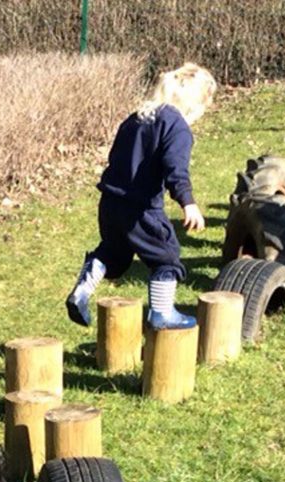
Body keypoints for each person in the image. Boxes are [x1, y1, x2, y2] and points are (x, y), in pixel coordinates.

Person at [66, 63, 216, 330]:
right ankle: (161, 313)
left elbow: (115, 156)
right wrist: (188, 202)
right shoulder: (176, 126)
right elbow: (175, 168)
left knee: (114, 253)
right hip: (140, 208)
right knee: (167, 255)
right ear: (195, 102)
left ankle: (81, 292)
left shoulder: (137, 117)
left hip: (110, 202)